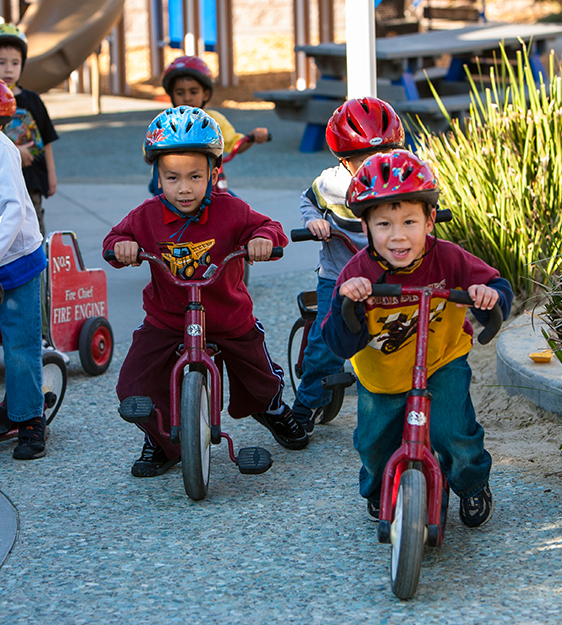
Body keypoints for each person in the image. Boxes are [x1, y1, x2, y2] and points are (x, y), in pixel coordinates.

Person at [103, 107, 307, 478]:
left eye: (196, 177)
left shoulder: (230, 209)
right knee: (134, 383)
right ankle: (163, 439)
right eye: (173, 177)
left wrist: (262, 240)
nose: (184, 188)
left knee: (259, 377)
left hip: (227, 316)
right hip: (167, 319)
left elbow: (268, 226)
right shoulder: (147, 216)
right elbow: (115, 238)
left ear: (214, 174)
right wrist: (122, 247)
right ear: (158, 177)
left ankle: (273, 408)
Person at [321, 150, 513, 527]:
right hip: (383, 375)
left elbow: (493, 283)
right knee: (373, 443)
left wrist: (490, 296)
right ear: (366, 228)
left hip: (441, 361)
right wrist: (351, 302)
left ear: (429, 221)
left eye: (409, 221)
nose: (398, 236)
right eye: (384, 224)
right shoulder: (358, 272)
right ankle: (379, 489)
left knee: (454, 431)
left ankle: (471, 482)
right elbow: (337, 342)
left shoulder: (449, 258)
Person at [292, 97, 405, 438]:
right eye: (364, 160)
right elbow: (308, 201)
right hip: (340, 275)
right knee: (326, 338)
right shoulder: (331, 184)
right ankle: (307, 403)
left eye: (382, 157)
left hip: (387, 273)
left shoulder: (398, 178)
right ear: (344, 160)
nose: (375, 167)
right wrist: (315, 223)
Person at [0, 79, 49, 460]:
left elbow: (14, 210)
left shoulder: (3, 151)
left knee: (19, 344)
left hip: (15, 261)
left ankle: (30, 419)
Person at [150, 55, 269, 194]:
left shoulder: (214, 120)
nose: (187, 97)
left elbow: (235, 144)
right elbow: (149, 153)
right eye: (180, 92)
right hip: (169, 181)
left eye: (193, 92)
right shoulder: (164, 122)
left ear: (205, 94)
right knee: (161, 207)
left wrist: (253, 136)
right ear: (171, 95)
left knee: (239, 210)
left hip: (206, 179)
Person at [0, 23, 58, 235]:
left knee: (33, 227)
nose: (8, 69)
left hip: (31, 180)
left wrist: (51, 175)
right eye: (1, 62)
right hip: (3, 182)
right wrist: (16, 152)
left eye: (15, 63)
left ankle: (36, 264)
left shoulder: (32, 100)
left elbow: (47, 138)